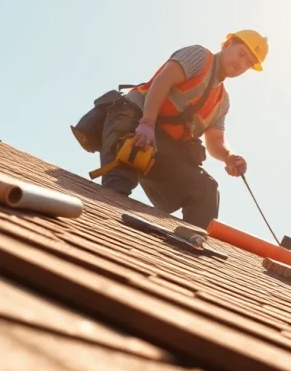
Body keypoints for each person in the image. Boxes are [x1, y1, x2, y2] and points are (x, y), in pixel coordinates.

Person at [71, 30, 269, 229]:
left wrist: (228, 157)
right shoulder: (200, 56)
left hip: (162, 146)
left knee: (205, 189)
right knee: (120, 182)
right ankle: (99, 226)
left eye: (248, 63)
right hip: (134, 122)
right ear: (227, 44)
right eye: (241, 54)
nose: (242, 64)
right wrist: (147, 123)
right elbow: (163, 80)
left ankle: (192, 241)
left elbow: (215, 140)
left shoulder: (222, 101)